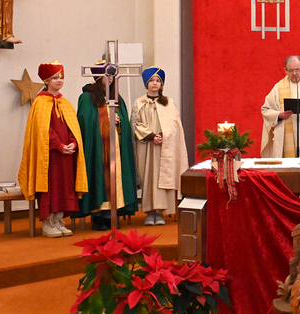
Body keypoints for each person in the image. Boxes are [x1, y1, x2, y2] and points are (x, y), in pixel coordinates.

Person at [18, 61, 87, 238]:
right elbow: (43, 129)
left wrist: (73, 143)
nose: (59, 80)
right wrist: (59, 145)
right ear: (46, 81)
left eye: (61, 77)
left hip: (67, 155)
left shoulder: (65, 103)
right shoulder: (40, 102)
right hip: (50, 155)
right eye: (55, 78)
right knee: (52, 186)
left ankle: (59, 219)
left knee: (65, 185)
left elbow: (73, 127)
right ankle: (48, 222)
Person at [76, 64, 139, 230]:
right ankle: (98, 216)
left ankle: (112, 214)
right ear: (98, 78)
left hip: (115, 147)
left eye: (112, 76)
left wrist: (119, 122)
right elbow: (85, 123)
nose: (110, 79)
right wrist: (105, 119)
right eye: (107, 76)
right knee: (99, 177)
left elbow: (124, 122)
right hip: (98, 147)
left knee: (116, 177)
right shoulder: (87, 98)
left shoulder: (117, 98)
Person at [131, 67, 188, 225]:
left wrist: (163, 135)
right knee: (149, 176)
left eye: (158, 81)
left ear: (162, 84)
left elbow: (175, 124)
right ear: (146, 83)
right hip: (147, 145)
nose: (155, 83)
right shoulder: (139, 103)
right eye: (152, 81)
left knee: (163, 176)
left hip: (165, 146)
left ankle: (162, 212)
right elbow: (136, 124)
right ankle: (150, 213)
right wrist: (151, 136)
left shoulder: (169, 102)